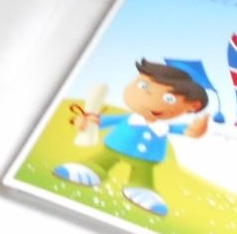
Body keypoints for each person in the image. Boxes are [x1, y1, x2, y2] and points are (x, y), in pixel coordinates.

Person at [53, 59, 217, 217]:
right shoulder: (129, 119)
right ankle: (90, 169)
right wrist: (88, 121)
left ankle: (141, 189)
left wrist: (197, 129)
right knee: (102, 159)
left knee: (143, 175)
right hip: (115, 147)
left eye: (169, 98)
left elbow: (188, 131)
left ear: (192, 106)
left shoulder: (164, 127)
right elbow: (101, 121)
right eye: (143, 86)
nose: (149, 97)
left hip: (146, 160)